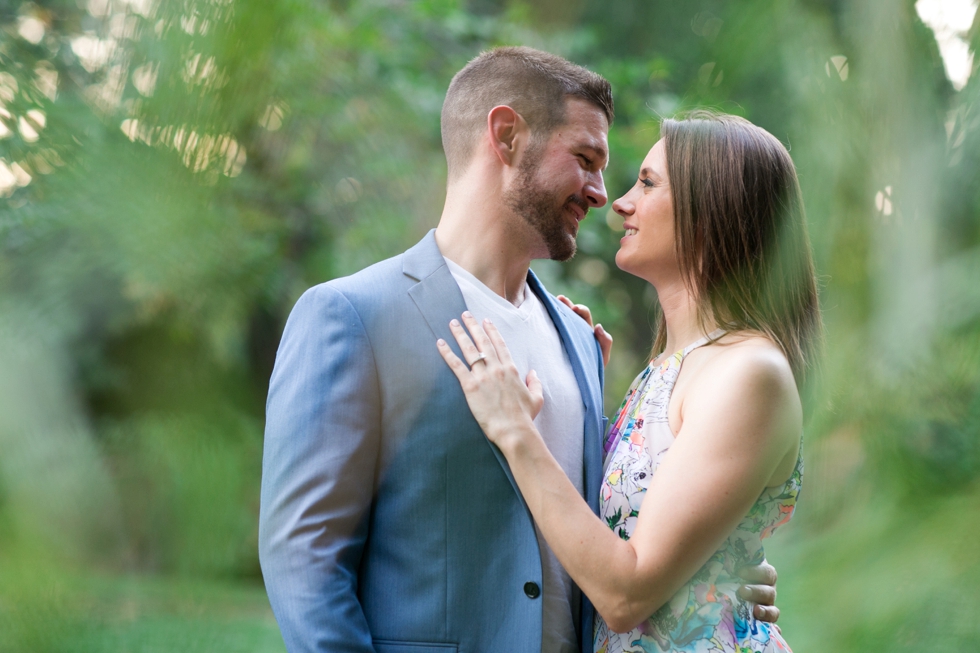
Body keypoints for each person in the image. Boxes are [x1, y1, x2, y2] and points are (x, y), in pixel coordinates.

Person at [259, 48, 779, 653]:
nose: (601, 192)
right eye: (585, 160)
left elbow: (614, 529)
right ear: (506, 137)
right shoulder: (351, 316)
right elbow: (305, 560)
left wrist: (713, 572)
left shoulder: (581, 340)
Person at [437, 112, 819, 653]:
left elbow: (625, 595)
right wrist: (581, 391)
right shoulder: (668, 367)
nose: (618, 202)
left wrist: (515, 430)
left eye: (647, 183)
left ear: (711, 210)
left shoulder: (749, 373)